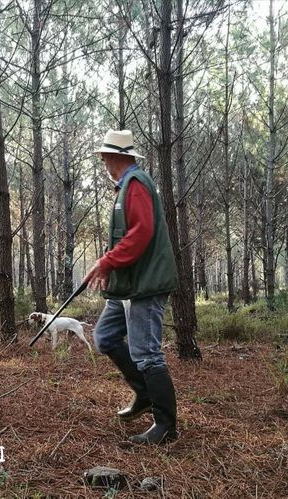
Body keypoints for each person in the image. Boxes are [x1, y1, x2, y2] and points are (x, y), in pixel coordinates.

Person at [83, 129, 179, 445]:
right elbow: (131, 237)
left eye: (104, 156)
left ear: (116, 157)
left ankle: (165, 427)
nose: (102, 161)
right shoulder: (125, 187)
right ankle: (144, 393)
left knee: (147, 353)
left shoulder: (136, 186)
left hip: (145, 285)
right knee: (105, 336)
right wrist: (109, 266)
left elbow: (141, 234)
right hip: (129, 284)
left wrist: (108, 262)